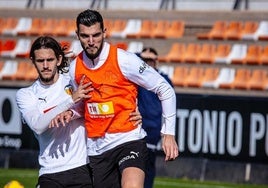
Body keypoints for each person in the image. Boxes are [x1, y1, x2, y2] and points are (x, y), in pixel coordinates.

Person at [52, 9, 179, 188]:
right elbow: (84, 106)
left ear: (105, 32)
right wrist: (71, 112)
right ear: (77, 35)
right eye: (85, 36)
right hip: (98, 149)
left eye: (96, 35)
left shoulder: (125, 60)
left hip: (129, 139)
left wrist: (168, 134)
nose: (91, 41)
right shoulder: (74, 69)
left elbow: (165, 89)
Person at [15, 36, 94, 188]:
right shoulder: (26, 94)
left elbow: (91, 107)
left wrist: (72, 113)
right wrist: (70, 101)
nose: (45, 65)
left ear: (58, 60)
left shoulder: (73, 81)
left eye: (50, 60)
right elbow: (37, 125)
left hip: (82, 166)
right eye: (40, 61)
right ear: (33, 61)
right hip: (50, 171)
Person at [137, 47, 173, 188]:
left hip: (152, 128)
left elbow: (169, 104)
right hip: (136, 127)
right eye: (144, 60)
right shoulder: (137, 77)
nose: (148, 63)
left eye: (150, 60)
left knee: (148, 164)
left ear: (156, 61)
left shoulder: (163, 80)